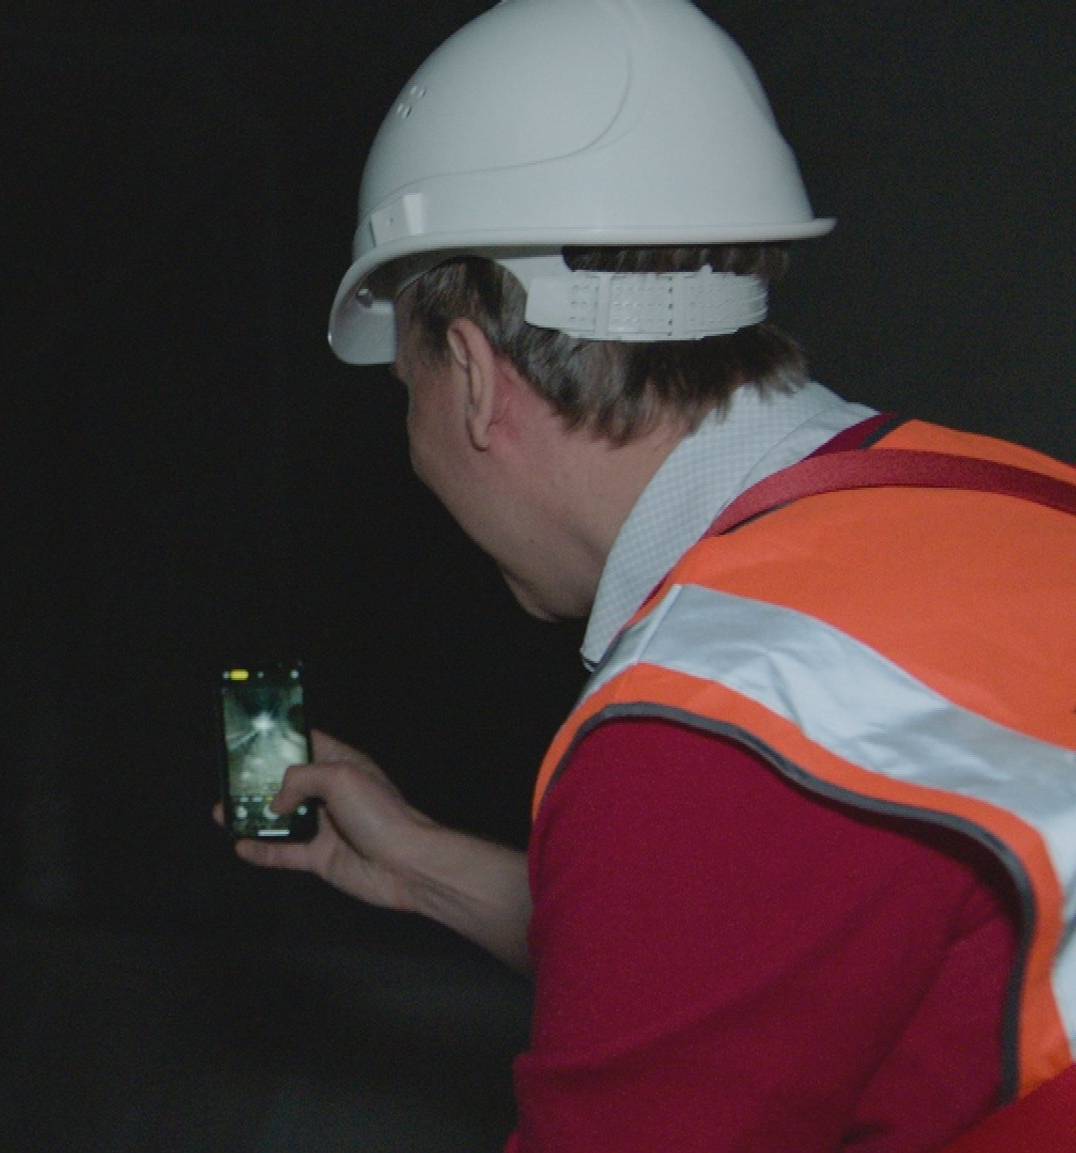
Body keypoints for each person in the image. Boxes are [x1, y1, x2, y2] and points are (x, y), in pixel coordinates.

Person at [224, 2, 1076, 1150]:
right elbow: (783, 948)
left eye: (405, 387)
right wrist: (427, 870)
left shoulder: (704, 724)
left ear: (473, 375)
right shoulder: (1000, 496)